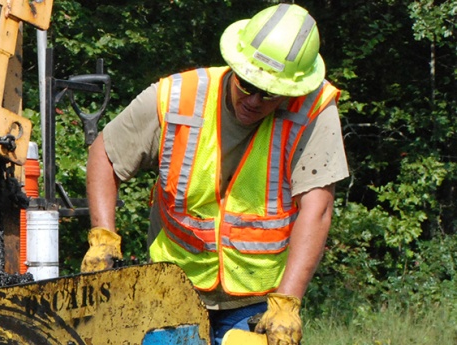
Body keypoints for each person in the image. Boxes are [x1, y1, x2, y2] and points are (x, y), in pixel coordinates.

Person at [81, 4, 348, 345]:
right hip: (171, 286)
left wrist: (286, 303)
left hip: (258, 300)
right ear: (235, 66)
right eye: (248, 84)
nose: (254, 99)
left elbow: (318, 208)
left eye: (270, 93)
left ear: (291, 91)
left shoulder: (313, 110)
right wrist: (103, 236)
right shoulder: (178, 97)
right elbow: (105, 152)